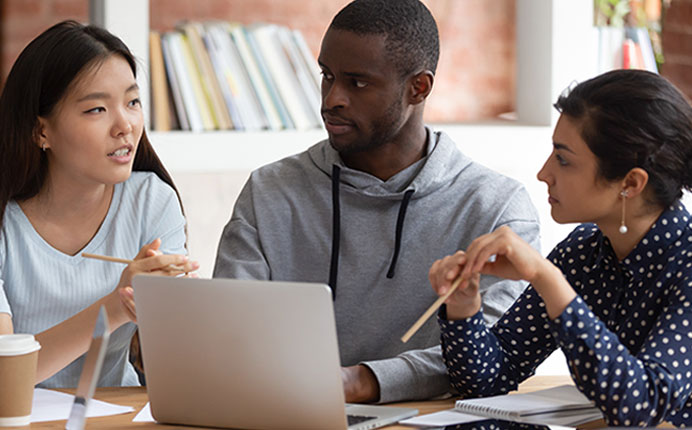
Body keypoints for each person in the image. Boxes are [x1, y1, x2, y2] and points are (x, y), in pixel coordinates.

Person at [212, 0, 538, 403]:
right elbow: (228, 333)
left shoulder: (497, 209)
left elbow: (494, 354)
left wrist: (361, 382)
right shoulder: (269, 191)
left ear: (418, 88)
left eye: (358, 83)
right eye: (327, 76)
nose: (332, 99)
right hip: (288, 412)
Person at [432, 70, 692, 426]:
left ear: (631, 183)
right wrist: (464, 308)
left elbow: (640, 406)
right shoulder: (582, 253)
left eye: (564, 159)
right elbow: (488, 381)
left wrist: (547, 279)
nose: (544, 173)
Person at [0, 21, 192, 397]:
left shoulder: (152, 201)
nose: (125, 125)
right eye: (97, 109)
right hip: (18, 416)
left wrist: (179, 310)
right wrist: (117, 306)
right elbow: (2, 374)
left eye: (132, 102)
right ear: (41, 131)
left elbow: (175, 363)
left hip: (119, 416)